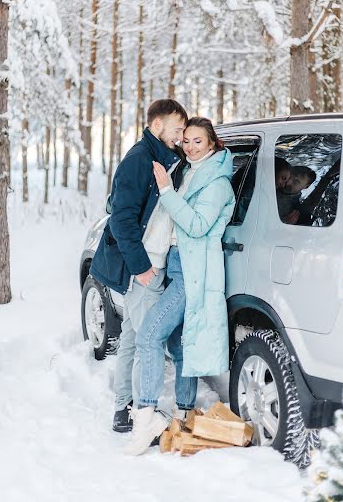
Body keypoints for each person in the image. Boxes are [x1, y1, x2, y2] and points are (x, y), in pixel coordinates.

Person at [122, 117, 236, 455]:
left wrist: (168, 193)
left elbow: (198, 225)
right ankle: (184, 413)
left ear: (213, 143)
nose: (189, 147)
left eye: (197, 141)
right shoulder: (192, 172)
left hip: (192, 272)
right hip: (176, 264)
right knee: (179, 342)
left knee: (148, 335)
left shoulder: (217, 182)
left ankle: (146, 418)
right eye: (185, 141)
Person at [90, 99, 188, 434]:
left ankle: (123, 409)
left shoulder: (159, 157)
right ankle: (143, 413)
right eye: (176, 129)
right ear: (157, 124)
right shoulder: (139, 160)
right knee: (148, 341)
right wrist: (141, 267)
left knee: (132, 338)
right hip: (144, 267)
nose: (179, 136)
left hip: (145, 265)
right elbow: (121, 219)